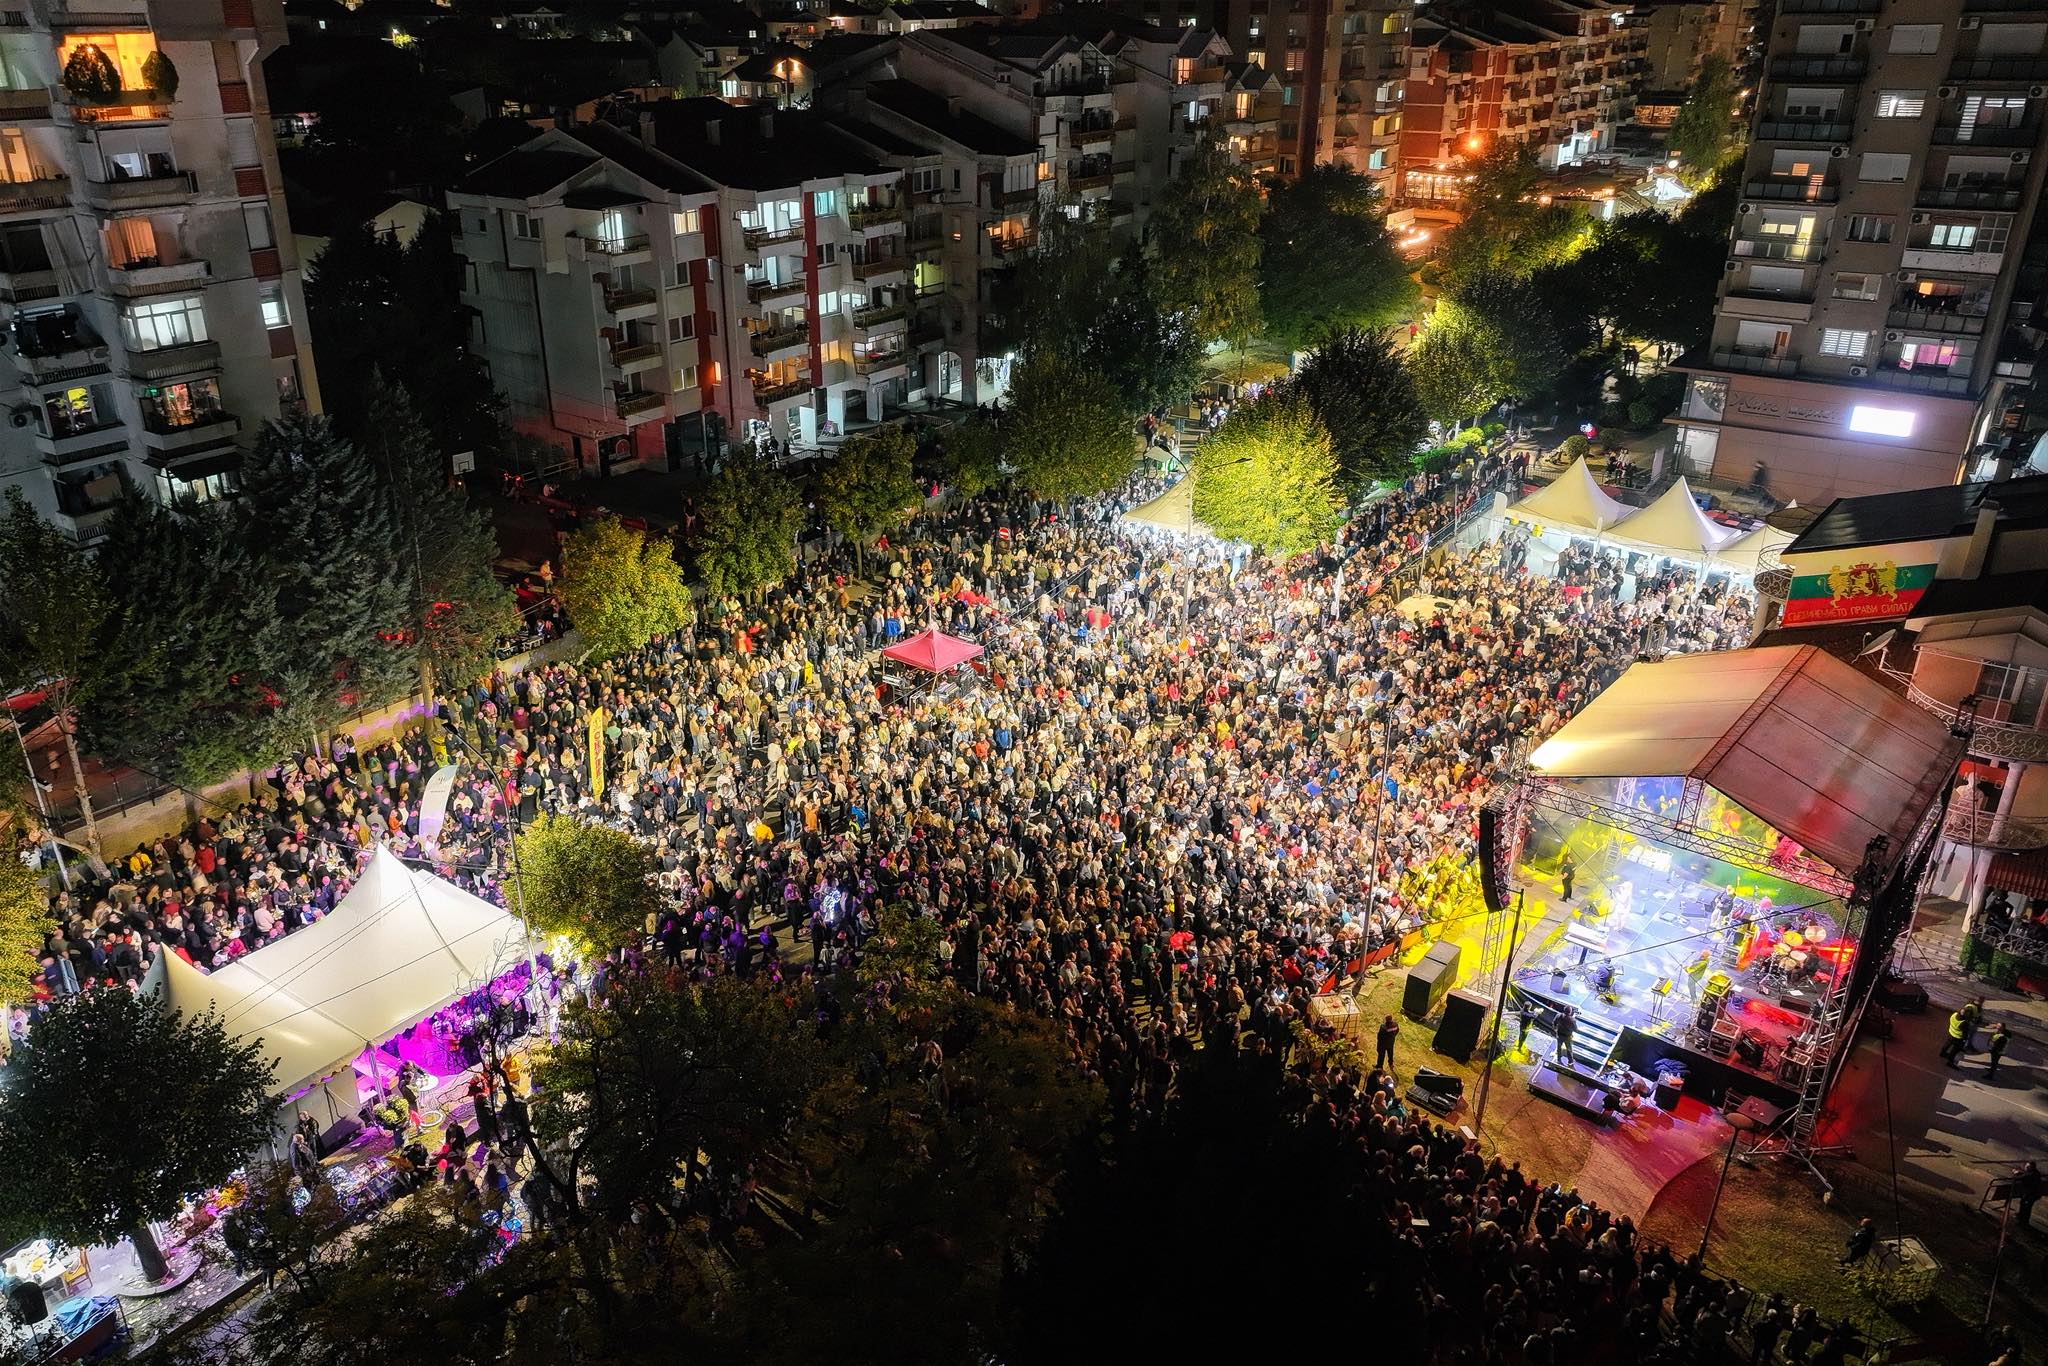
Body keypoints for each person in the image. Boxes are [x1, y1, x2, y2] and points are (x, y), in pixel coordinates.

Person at [2015, 1160, 2042, 1229]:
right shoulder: (2036, 1173)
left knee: (2026, 1207)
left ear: (2030, 1167)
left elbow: (2021, 1177)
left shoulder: (2030, 1175)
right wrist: (2020, 1173)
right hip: (2034, 1194)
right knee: (2025, 1205)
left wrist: (2016, 1173)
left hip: (2030, 1194)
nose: (2026, 1167)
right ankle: (2022, 1218)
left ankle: (2023, 1221)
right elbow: (2026, 1175)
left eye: (2027, 1166)